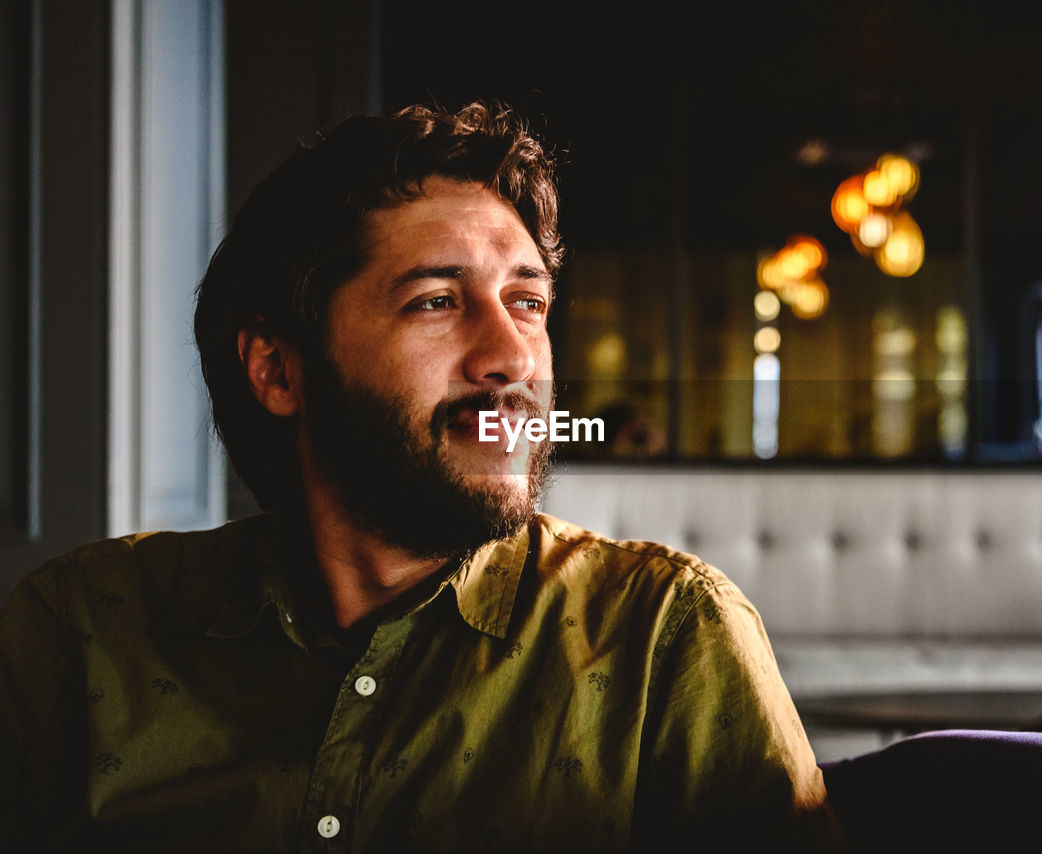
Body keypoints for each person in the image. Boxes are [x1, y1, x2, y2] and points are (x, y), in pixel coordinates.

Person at [0, 103, 842, 852]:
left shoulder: (663, 636)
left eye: (529, 302)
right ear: (279, 371)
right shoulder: (78, 636)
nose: (513, 356)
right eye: (437, 301)